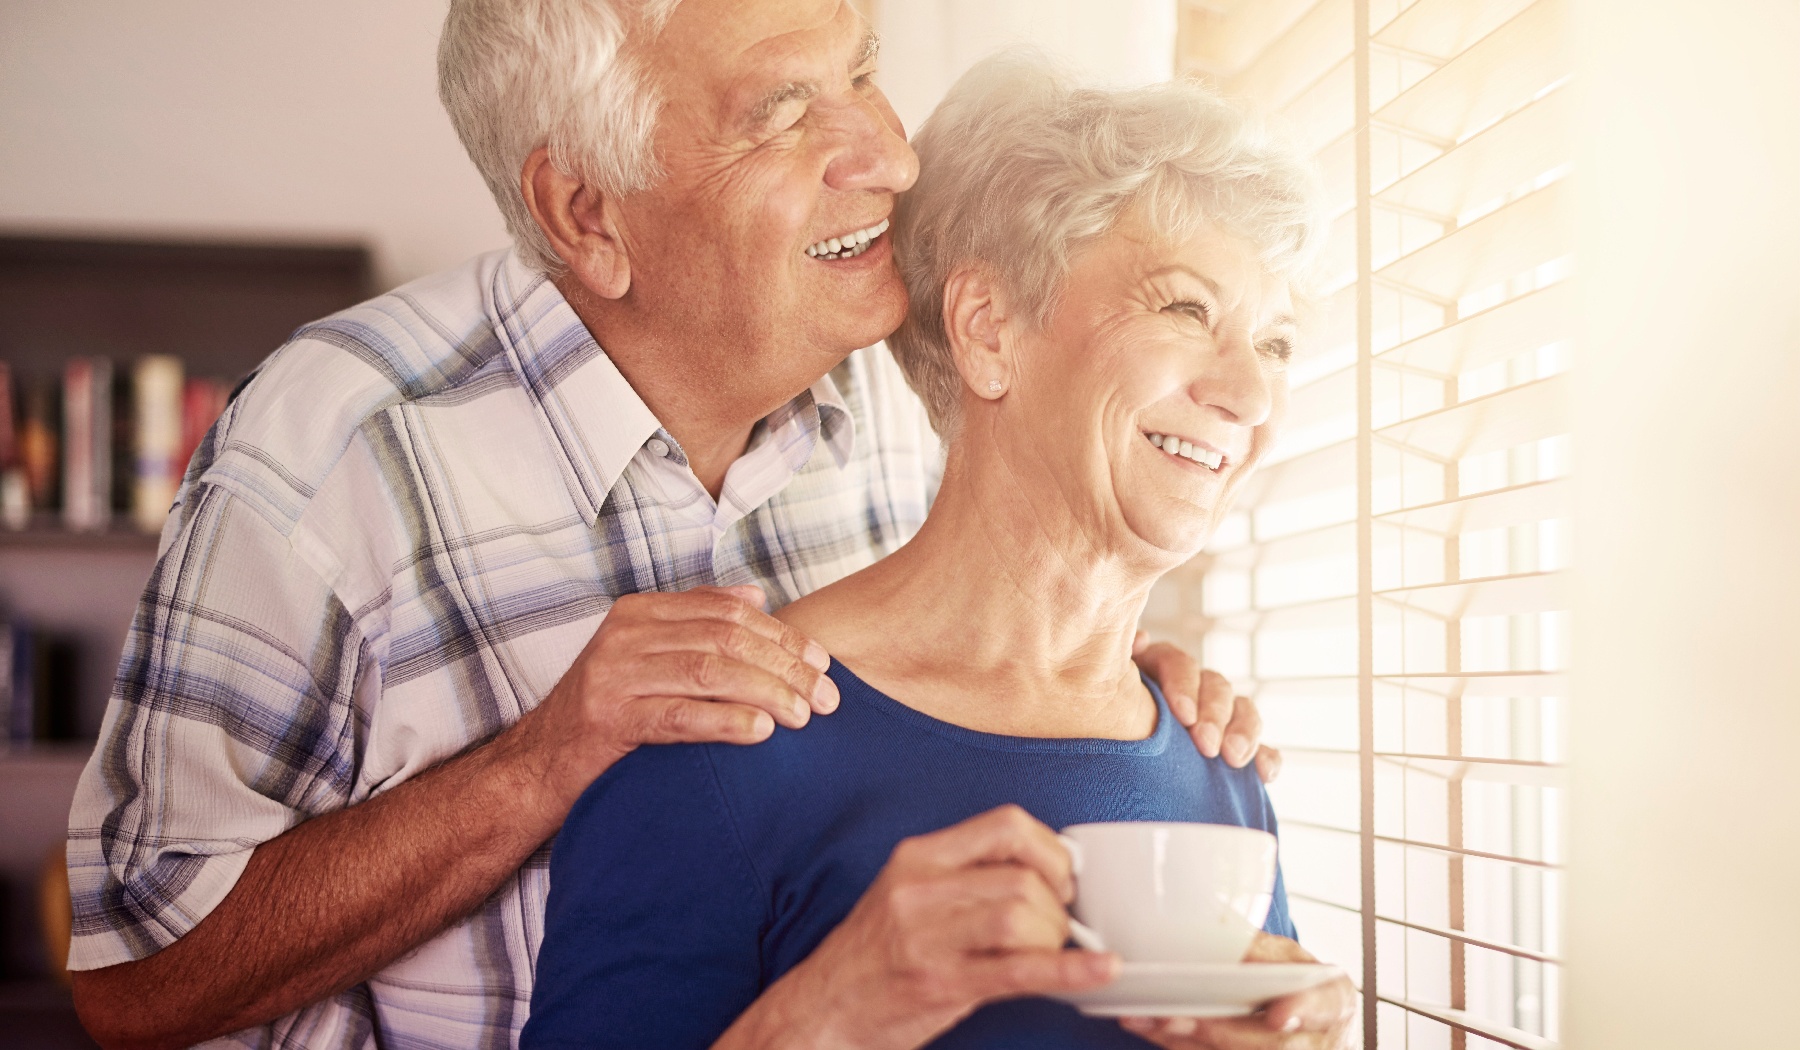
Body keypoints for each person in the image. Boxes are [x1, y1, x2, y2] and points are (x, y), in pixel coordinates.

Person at [63, 2, 1274, 1048]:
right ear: (587, 211)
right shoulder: (336, 447)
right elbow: (135, 984)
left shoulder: (884, 382)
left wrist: (1107, 696)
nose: (890, 156)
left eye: (860, 69)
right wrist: (544, 760)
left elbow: (965, 646)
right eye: (784, 110)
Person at [524, 52, 1357, 1050]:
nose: (1250, 396)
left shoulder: (1218, 767)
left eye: (1275, 344)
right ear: (989, 328)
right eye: (1185, 308)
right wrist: (829, 1018)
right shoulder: (724, 748)